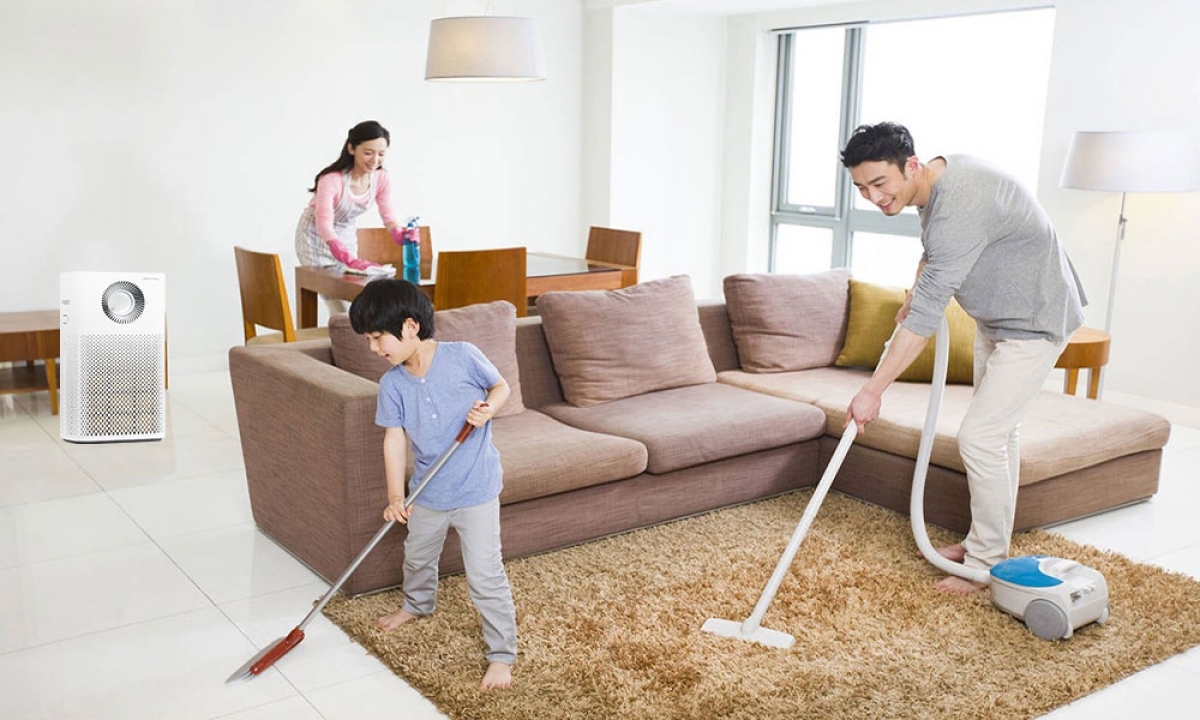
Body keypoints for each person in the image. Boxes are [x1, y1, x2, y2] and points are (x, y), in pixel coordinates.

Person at [839, 122, 1087, 596]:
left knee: (980, 437)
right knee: (999, 435)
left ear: (911, 165)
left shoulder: (960, 202)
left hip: (1035, 322)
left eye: (879, 183)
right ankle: (984, 544)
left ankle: (985, 565)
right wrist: (917, 288)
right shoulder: (934, 184)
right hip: (998, 320)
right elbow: (933, 253)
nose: (873, 197)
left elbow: (924, 320)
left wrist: (871, 392)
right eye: (861, 188)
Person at [348, 278, 517, 691]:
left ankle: (501, 655)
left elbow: (501, 386)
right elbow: (393, 440)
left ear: (409, 327)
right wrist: (396, 496)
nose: (373, 348)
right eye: (369, 340)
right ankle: (417, 605)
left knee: (485, 575)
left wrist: (488, 410)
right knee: (418, 557)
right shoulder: (392, 384)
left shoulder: (463, 357)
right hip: (428, 492)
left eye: (377, 337)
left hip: (476, 489)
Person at [296, 120, 407, 315]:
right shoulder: (331, 180)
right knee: (333, 295)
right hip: (315, 235)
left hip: (345, 233)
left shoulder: (381, 178)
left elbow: (388, 215)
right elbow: (324, 223)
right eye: (368, 153)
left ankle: (352, 331)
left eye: (381, 154)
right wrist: (341, 252)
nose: (375, 160)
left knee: (353, 290)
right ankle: (343, 329)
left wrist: (398, 233)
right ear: (351, 148)